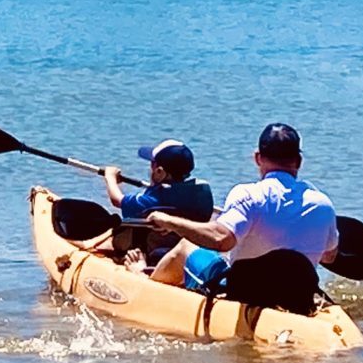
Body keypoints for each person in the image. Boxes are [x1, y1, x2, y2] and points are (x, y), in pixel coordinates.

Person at [141, 123, 338, 313]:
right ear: (299, 161)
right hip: (297, 297)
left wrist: (169, 222)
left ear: (257, 158)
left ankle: (144, 287)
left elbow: (221, 239)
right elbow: (329, 256)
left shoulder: (249, 195)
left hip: (245, 295)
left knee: (186, 246)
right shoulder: (323, 204)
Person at [100, 140, 213, 263]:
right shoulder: (202, 193)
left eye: (152, 164)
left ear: (160, 172)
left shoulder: (155, 198)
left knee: (111, 225)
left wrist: (110, 177)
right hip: (184, 245)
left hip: (150, 247)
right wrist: (155, 185)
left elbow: (117, 200)